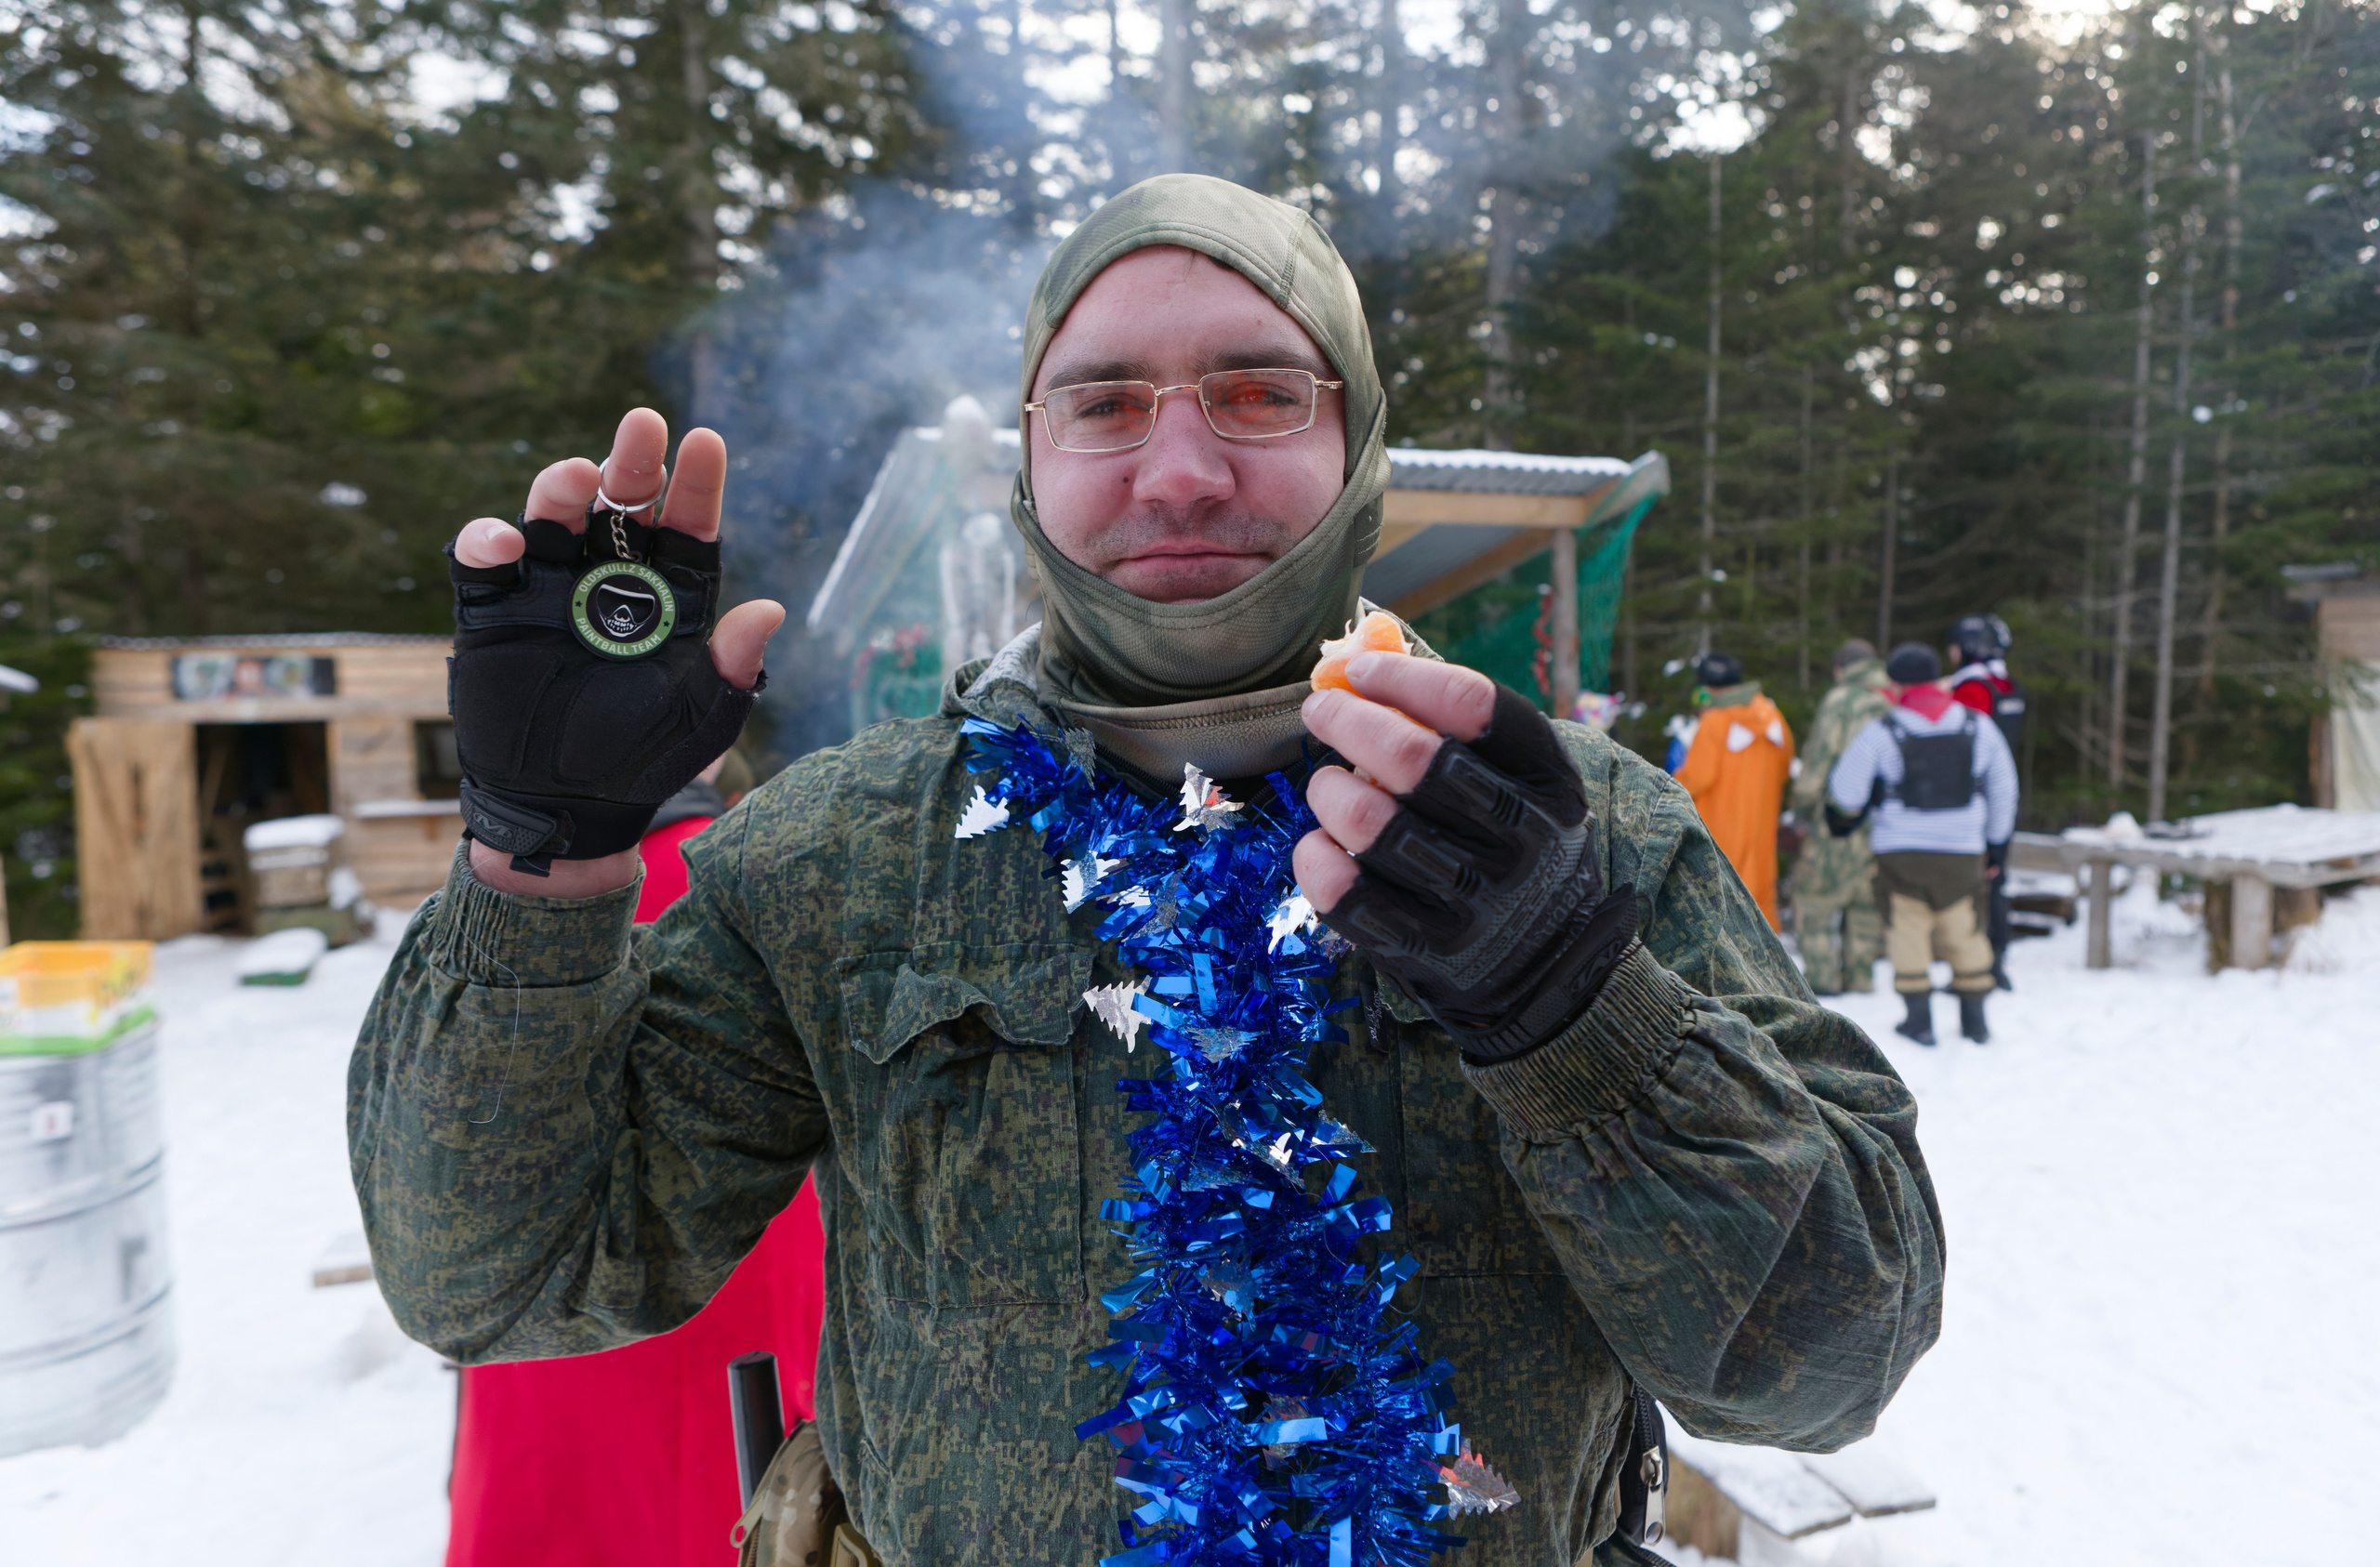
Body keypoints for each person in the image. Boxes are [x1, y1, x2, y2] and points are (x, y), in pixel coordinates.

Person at [350, 175, 1943, 1567]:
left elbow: (1824, 1360)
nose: (1177, 471)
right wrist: (535, 867)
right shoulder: (843, 858)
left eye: (1256, 395)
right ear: (1031, 462)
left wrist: (1576, 1009)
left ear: (1355, 439)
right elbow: (503, 1280)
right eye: (1104, 404)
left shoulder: (1570, 824)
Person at [443, 758, 827, 1567]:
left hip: (556, 1314)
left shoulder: (513, 912)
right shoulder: (758, 887)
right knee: (736, 1508)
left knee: (560, 1508)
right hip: (746, 1285)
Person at [1826, 642, 2017, 1046]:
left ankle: (1918, 1021)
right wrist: (1997, 845)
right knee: (1965, 928)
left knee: (1907, 928)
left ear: (1895, 684)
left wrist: (1845, 819)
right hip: (1963, 850)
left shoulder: (1881, 732)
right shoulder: (1977, 726)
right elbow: (2004, 789)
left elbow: (1845, 792)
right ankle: (1974, 1019)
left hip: (1901, 851)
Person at [1790, 641, 1892, 995]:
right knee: (1866, 901)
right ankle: (1861, 975)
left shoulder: (1842, 701)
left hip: (1839, 817)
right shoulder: (1894, 696)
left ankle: (1823, 976)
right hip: (1886, 823)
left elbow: (1820, 758)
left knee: (1816, 897)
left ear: (1840, 669)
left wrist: (1802, 805)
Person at [1669, 652, 1795, 930]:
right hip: (1761, 838)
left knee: (1722, 910)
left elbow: (1697, 778)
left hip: (1720, 839)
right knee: (1761, 907)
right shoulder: (1774, 719)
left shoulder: (1715, 722)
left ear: (1706, 688)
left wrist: (1665, 785)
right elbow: (1785, 768)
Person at [1944, 614, 2026, 990]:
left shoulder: (1973, 689)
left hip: (1972, 799)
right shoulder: (2006, 685)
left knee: (1975, 885)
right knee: (1995, 878)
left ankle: (1981, 965)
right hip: (2001, 793)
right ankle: (1995, 959)